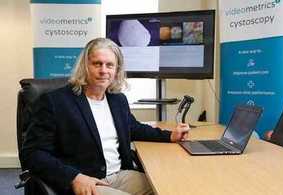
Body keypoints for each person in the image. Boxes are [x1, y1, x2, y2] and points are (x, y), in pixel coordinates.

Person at [22, 38, 190, 195]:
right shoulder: (55, 102)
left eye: (109, 65)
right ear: (85, 66)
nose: (103, 70)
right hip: (85, 182)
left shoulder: (117, 100)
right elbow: (33, 153)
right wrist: (73, 177)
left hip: (120, 176)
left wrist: (170, 136)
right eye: (97, 64)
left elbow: (133, 128)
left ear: (116, 70)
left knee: (169, 187)